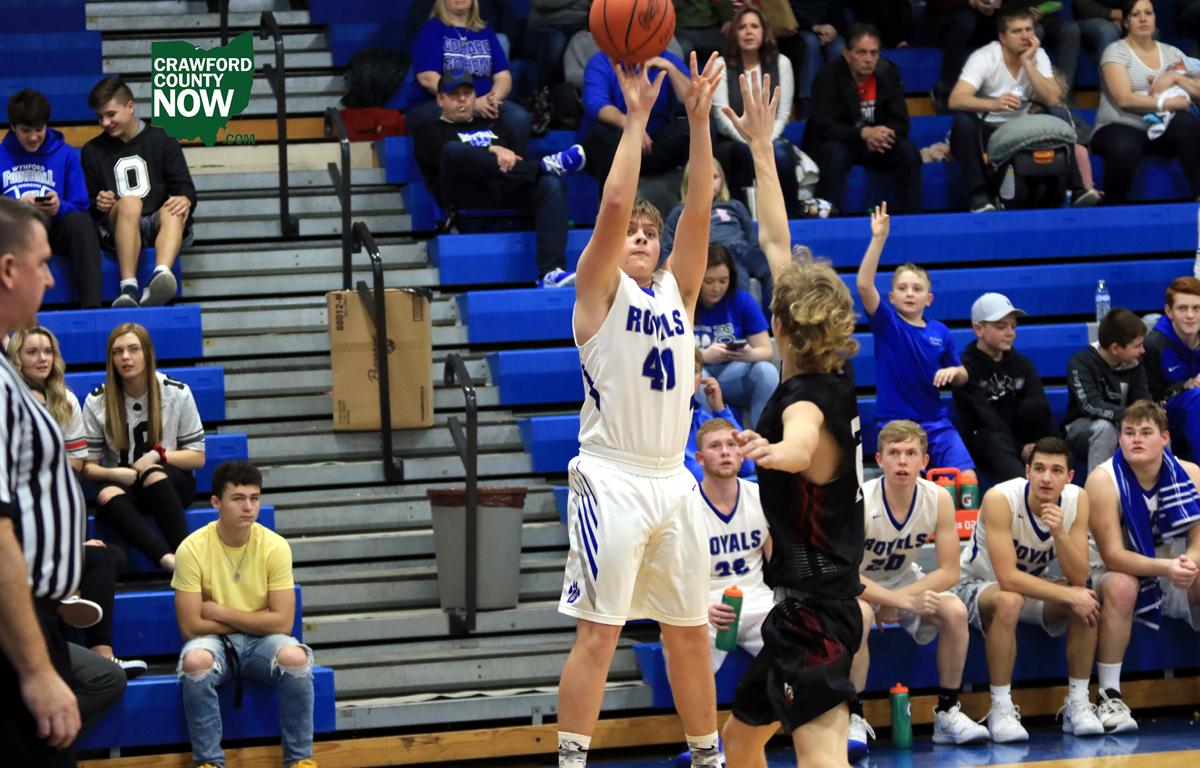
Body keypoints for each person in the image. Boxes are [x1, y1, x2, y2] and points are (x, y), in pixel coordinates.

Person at [555, 53, 724, 768]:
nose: (644, 239)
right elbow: (615, 205)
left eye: (652, 235)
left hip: (672, 478)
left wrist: (699, 120)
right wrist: (635, 122)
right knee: (600, 631)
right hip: (612, 476)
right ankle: (571, 761)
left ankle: (709, 756)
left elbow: (701, 206)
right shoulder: (598, 290)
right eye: (635, 234)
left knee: (689, 633)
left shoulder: (678, 295)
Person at [719, 69, 864, 768]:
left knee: (821, 755)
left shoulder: (805, 400)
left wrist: (768, 452)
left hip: (815, 611)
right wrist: (759, 147)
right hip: (802, 605)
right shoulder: (826, 372)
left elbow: (803, 447)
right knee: (740, 738)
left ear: (779, 326)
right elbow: (777, 241)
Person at [7, 326, 147, 679]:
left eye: (47, 352)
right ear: (16, 359)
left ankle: (102, 656)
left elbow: (72, 468)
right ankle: (61, 587)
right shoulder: (7, 400)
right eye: (32, 352)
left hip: (52, 526)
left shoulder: (65, 400)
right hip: (18, 536)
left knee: (110, 557)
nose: (42, 359)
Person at [0, 196, 84, 764]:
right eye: (43, 264)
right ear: (9, 270)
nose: (51, 279)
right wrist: (34, 667)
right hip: (14, 633)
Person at [849, 420, 988, 759]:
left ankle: (947, 711)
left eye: (911, 453)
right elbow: (846, 575)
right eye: (894, 453)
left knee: (955, 611)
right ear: (879, 460)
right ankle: (852, 715)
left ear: (924, 461)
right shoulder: (860, 500)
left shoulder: (938, 497)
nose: (902, 461)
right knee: (859, 615)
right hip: (859, 583)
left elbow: (950, 570)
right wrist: (892, 600)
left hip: (903, 578)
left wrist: (901, 599)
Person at [953, 436, 1105, 742]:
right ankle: (1001, 708)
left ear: (1069, 476)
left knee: (1087, 598)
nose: (1046, 478)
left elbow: (1078, 576)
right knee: (1010, 600)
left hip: (1032, 587)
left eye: (1056, 471)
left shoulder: (1077, 499)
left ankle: (1078, 703)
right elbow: (1008, 578)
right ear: (1027, 471)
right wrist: (1068, 593)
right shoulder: (1000, 498)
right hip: (977, 586)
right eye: (1039, 469)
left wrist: (1059, 534)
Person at [173, 461, 317, 768]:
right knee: (195, 663)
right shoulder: (191, 548)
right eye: (238, 498)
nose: (248, 507)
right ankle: (209, 762)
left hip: (261, 643)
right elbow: (191, 627)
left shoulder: (275, 546)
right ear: (216, 502)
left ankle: (299, 760)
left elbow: (283, 622)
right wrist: (258, 617)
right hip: (215, 642)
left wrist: (218, 611)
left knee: (296, 659)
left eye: (254, 498)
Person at [1085, 399, 1200, 734]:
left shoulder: (1191, 473)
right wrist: (1169, 568)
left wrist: (1189, 563)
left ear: (1164, 438)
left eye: (1146, 432)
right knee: (1124, 585)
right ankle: (1109, 695)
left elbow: (1198, 541)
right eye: (1129, 432)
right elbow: (1113, 556)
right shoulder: (1103, 479)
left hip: (1167, 565)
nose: (1136, 439)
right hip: (1107, 571)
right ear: (1119, 438)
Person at [411, 71, 587, 288]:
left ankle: (551, 272)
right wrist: (491, 149)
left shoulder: (495, 125)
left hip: (506, 187)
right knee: (452, 151)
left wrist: (506, 162)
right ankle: (544, 166)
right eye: (454, 94)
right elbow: (445, 161)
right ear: (440, 99)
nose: (462, 99)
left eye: (467, 93)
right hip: (465, 194)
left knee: (551, 184)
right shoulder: (428, 132)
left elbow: (516, 161)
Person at [80, 322, 206, 572]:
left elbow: (198, 457)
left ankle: (187, 558)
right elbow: (88, 468)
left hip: (171, 484)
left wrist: (159, 456)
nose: (125, 357)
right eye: (117, 352)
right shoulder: (97, 400)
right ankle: (166, 559)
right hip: (127, 484)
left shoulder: (177, 392)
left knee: (152, 473)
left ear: (148, 353)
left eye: (133, 349)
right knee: (106, 494)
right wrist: (114, 473)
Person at [856, 210, 975, 473]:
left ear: (928, 299)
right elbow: (864, 285)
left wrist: (954, 372)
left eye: (917, 289)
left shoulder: (941, 332)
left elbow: (963, 375)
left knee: (967, 477)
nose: (909, 293)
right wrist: (878, 239)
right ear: (891, 297)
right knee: (909, 482)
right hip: (895, 424)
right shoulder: (887, 324)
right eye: (902, 288)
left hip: (937, 423)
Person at [949, 5, 1100, 213]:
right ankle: (979, 195)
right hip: (988, 127)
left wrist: (1027, 63)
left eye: (1029, 29)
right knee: (963, 121)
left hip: (1024, 127)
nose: (1025, 36)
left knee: (1058, 114)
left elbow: (1053, 98)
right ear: (1003, 37)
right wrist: (992, 104)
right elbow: (956, 99)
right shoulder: (985, 57)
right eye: (1017, 31)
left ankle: (1076, 189)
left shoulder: (1038, 55)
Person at [81, 77, 196, 308]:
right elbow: (89, 204)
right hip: (119, 225)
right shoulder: (92, 151)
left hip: (159, 223)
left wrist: (185, 199)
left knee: (174, 207)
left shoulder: (162, 140)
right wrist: (99, 202)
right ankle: (129, 287)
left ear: (130, 107)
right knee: (130, 203)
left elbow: (185, 188)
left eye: (111, 114)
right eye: (100, 117)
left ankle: (161, 276)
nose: (105, 122)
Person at [805, 23, 923, 215]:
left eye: (874, 53)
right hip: (842, 142)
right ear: (847, 54)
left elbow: (901, 121)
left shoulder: (888, 72)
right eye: (861, 52)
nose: (868, 59)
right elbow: (823, 125)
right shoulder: (827, 76)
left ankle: (913, 218)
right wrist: (862, 134)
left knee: (908, 150)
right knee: (835, 152)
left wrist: (884, 134)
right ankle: (830, 217)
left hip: (876, 144)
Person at [1090, 0, 1200, 206]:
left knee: (1188, 123)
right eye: (1135, 14)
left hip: (1159, 129)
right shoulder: (1116, 51)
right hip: (1119, 126)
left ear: (1155, 18)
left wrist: (1176, 78)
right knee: (1125, 147)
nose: (1143, 19)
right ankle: (1112, 207)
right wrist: (1166, 104)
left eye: (1148, 13)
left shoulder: (1172, 53)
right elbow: (1124, 99)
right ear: (1126, 22)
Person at [2, 89, 102, 309]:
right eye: (26, 130)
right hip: (12, 233)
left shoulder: (65, 154)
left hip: (54, 227)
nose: (33, 137)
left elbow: (81, 207)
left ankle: (93, 307)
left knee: (81, 224)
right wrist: (17, 208)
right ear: (13, 127)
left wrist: (59, 207)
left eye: (39, 129)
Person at [953, 292, 1058, 481]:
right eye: (1001, 327)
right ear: (978, 329)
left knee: (1035, 410)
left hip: (1021, 435)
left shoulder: (1022, 363)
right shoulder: (966, 369)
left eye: (1013, 326)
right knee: (994, 437)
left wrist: (1035, 446)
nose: (1010, 333)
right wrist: (1021, 448)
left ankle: (1063, 484)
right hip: (986, 438)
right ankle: (1024, 491)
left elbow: (1041, 405)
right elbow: (986, 418)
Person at [404, 0, 531, 153]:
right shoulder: (430, 30)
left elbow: (503, 76)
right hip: (438, 104)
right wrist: (472, 102)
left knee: (518, 117)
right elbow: (427, 78)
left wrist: (492, 99)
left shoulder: (485, 32)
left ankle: (516, 165)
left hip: (483, 103)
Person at [712, 6, 803, 218]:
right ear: (734, 33)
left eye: (754, 26)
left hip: (771, 138)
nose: (748, 32)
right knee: (745, 154)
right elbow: (722, 116)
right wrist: (752, 143)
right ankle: (744, 218)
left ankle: (791, 217)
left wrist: (764, 142)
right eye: (742, 27)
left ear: (764, 32)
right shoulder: (721, 65)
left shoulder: (782, 63)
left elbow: (782, 115)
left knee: (782, 155)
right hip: (732, 141)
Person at [663, 162, 774, 316]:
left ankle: (778, 319)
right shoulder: (681, 210)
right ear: (690, 181)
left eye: (714, 177)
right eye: (702, 177)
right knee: (737, 278)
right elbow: (666, 248)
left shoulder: (735, 206)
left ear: (722, 180)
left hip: (742, 249)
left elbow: (752, 240)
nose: (709, 182)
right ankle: (736, 323)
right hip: (712, 254)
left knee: (774, 269)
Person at [579, 50, 697, 189]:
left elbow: (695, 102)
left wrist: (670, 68)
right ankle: (613, 200)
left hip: (652, 142)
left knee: (699, 128)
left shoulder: (666, 58)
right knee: (603, 134)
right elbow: (595, 103)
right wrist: (632, 126)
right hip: (616, 140)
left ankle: (692, 198)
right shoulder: (601, 61)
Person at [693, 246, 780, 427]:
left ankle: (760, 437)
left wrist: (750, 354)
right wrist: (703, 356)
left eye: (723, 281)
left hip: (733, 374)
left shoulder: (741, 299)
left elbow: (767, 351)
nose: (716, 288)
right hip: (700, 373)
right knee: (697, 377)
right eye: (709, 281)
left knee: (767, 372)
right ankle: (705, 439)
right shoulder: (685, 300)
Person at [1063, 307, 1152, 474]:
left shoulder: (1135, 363)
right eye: (1137, 346)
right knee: (1105, 428)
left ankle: (1166, 485)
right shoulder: (1081, 362)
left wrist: (1147, 416)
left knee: (1153, 426)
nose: (1143, 350)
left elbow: (1144, 400)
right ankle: (1098, 486)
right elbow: (1089, 405)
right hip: (1083, 428)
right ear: (1116, 348)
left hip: (1126, 424)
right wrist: (1131, 416)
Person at [1143, 277, 1200, 460]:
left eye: (1197, 308)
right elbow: (1150, 398)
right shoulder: (1154, 344)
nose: (1190, 315)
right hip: (1167, 416)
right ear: (1169, 311)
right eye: (1182, 308)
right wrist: (1186, 386)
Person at [686, 350, 755, 482]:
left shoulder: (704, 421)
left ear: (701, 379)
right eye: (682, 369)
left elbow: (747, 464)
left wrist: (720, 409)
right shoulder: (659, 425)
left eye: (694, 371)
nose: (687, 377)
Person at [789, 0, 848, 114]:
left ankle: (835, 98)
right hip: (801, 29)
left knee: (839, 47)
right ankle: (808, 100)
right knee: (811, 43)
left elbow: (838, 16)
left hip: (827, 31)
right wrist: (815, 28)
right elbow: (791, 17)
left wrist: (831, 31)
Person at [523, 0, 591, 89]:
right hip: (545, 28)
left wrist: (560, 6)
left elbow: (590, 5)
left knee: (588, 42)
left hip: (580, 26)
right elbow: (541, 3)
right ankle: (545, 92)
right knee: (556, 41)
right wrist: (575, 4)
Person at [1073, 0, 1124, 66]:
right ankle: (1109, 71)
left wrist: (1122, 20)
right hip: (1085, 20)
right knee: (1108, 30)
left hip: (1119, 20)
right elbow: (1084, 8)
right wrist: (1118, 15)